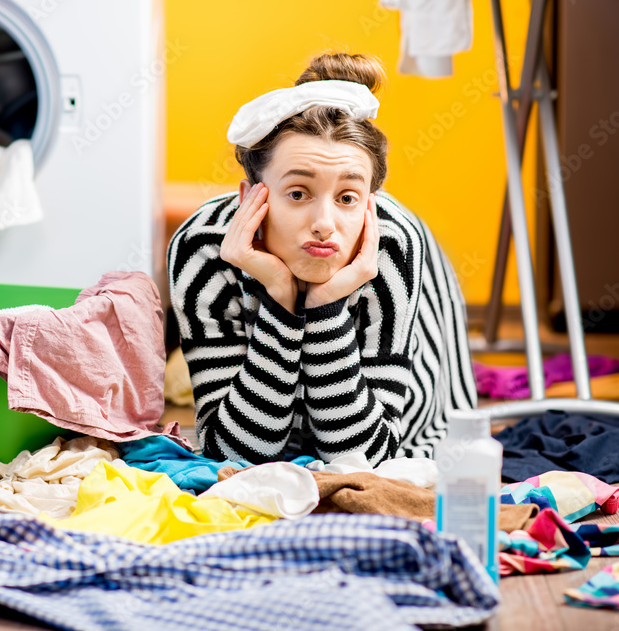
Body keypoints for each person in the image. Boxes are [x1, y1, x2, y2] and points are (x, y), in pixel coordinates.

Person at [167, 52, 477, 466]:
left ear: (370, 201)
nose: (325, 224)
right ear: (250, 198)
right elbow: (233, 453)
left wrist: (327, 305)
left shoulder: (390, 244)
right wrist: (280, 297)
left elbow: (366, 457)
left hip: (395, 415)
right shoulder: (201, 248)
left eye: (348, 197)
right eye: (298, 193)